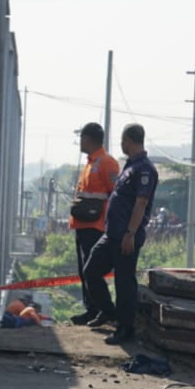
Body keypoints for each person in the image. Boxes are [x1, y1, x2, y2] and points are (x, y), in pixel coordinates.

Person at [81, 123, 158, 346]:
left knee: (124, 283)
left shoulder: (145, 169)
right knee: (91, 270)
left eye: (123, 141)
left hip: (126, 236)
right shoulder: (130, 166)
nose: (121, 145)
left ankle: (126, 328)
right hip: (112, 233)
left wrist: (131, 233)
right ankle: (109, 312)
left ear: (129, 140)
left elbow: (141, 202)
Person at [68, 122, 121, 326]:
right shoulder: (90, 163)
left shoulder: (107, 163)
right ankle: (91, 309)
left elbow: (114, 194)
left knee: (91, 270)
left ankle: (103, 310)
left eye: (82, 137)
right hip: (83, 224)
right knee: (84, 271)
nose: (80, 141)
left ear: (88, 139)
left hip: (95, 225)